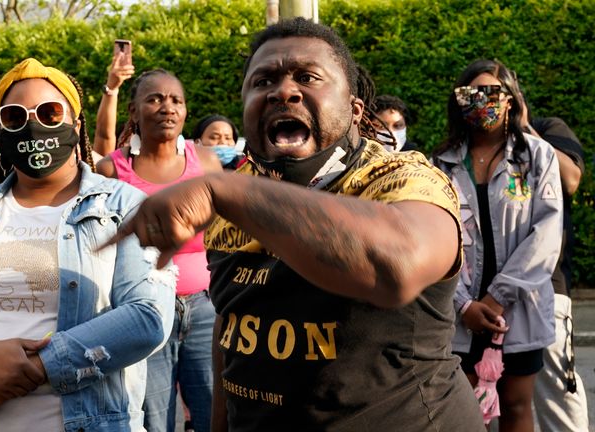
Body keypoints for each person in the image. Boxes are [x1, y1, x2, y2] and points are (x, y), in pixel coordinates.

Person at [101, 17, 483, 431]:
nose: (283, 90)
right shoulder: (241, 190)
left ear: (355, 109)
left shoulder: (402, 178)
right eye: (262, 81)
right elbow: (231, 326)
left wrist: (221, 192)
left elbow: (398, 265)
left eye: (308, 77)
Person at [0, 58, 175, 432]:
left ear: (76, 125)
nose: (32, 125)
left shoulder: (123, 206)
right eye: (14, 117)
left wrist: (27, 371)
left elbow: (147, 317)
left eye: (49, 112)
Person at [431, 59, 562, 430]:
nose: (481, 101)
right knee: (461, 413)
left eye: (491, 92)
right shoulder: (439, 164)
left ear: (510, 99)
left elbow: (546, 235)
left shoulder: (537, 157)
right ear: (458, 102)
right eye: (469, 94)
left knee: (517, 408)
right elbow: (432, 240)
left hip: (518, 310)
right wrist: (465, 305)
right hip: (461, 315)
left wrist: (498, 296)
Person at [96, 68, 222, 432]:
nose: (167, 107)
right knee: (153, 416)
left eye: (176, 100)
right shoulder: (112, 171)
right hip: (142, 311)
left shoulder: (207, 162)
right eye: (154, 99)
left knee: (214, 408)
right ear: (133, 111)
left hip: (205, 309)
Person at [518, 99, 589, 429]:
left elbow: (571, 178)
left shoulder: (547, 130)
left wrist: (524, 130)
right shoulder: (475, 147)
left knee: (559, 403)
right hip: (488, 295)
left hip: (546, 290)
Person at [92, 45, 136, 161]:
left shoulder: (186, 161)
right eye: (127, 142)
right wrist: (111, 88)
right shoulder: (111, 170)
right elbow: (104, 136)